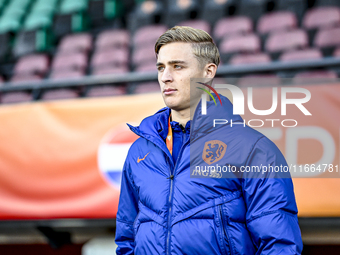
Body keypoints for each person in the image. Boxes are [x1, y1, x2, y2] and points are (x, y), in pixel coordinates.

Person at [115, 26, 303, 254]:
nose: (165, 77)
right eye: (161, 68)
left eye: (178, 66)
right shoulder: (140, 150)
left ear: (208, 72)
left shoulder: (254, 149)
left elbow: (280, 245)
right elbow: (127, 238)